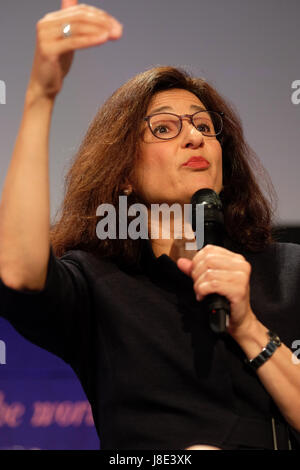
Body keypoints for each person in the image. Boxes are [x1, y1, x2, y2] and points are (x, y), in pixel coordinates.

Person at [0, 0, 300, 451]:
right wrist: (41, 97)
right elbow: (19, 270)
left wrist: (249, 327)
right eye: (164, 129)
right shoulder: (98, 285)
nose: (195, 136)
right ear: (123, 171)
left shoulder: (288, 272)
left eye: (204, 125)